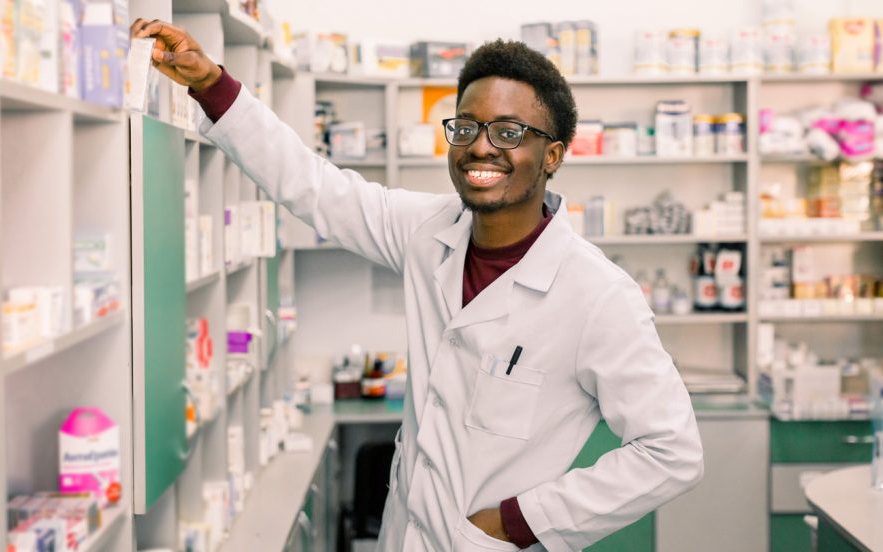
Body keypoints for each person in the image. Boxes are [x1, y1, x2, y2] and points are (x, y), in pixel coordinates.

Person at [131, 19, 704, 552]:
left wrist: (518, 521)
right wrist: (211, 85)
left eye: (509, 131)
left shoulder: (598, 295)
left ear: (551, 155)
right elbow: (313, 187)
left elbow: (671, 452)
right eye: (468, 127)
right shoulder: (426, 231)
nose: (482, 146)